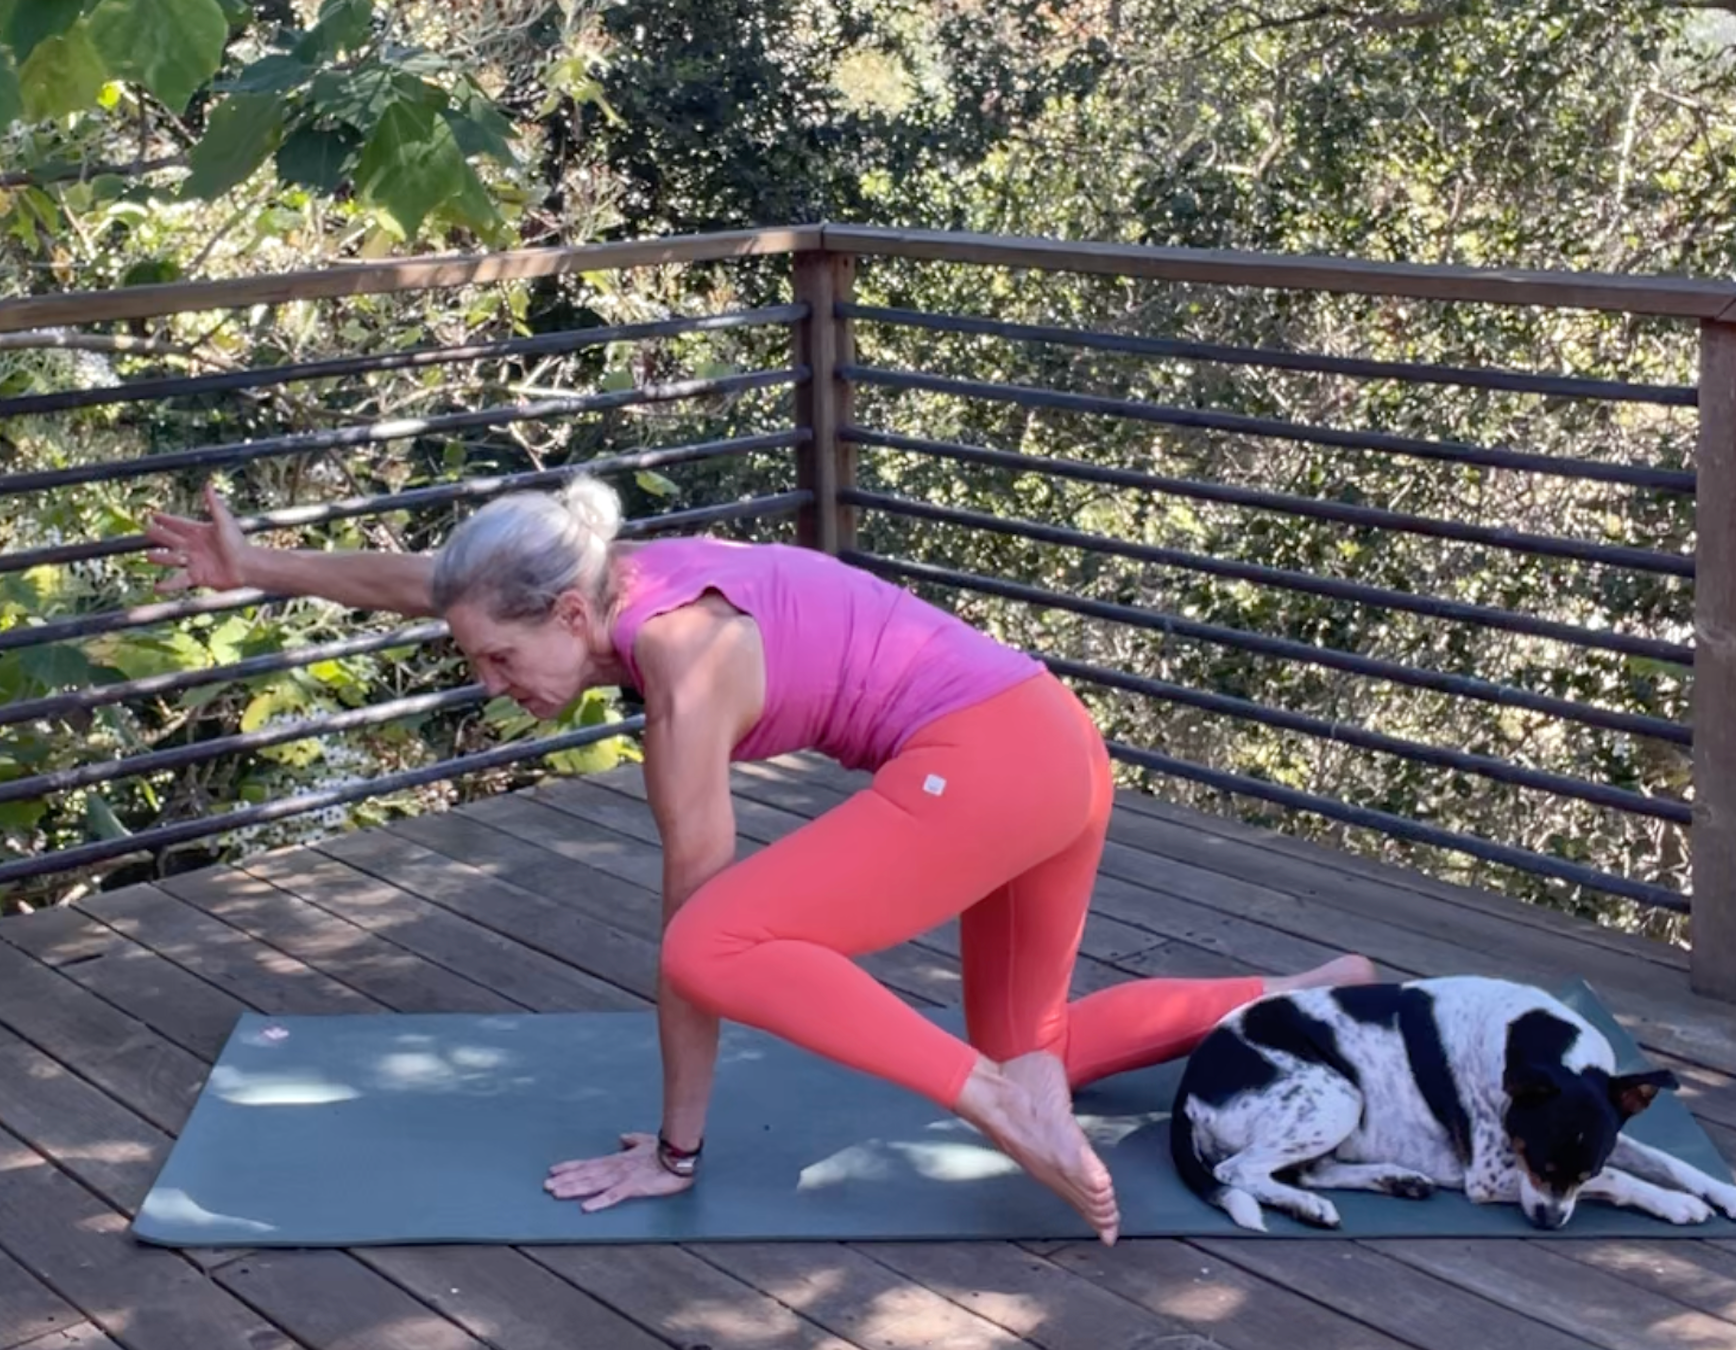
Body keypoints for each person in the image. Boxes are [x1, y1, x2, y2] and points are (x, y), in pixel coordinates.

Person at [145, 476, 1375, 1243]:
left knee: (719, 935)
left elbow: (706, 939)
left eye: (498, 662)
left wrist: (677, 1154)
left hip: (988, 761)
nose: (491, 682)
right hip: (1050, 747)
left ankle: (996, 1104)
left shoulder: (688, 669)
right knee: (1036, 1045)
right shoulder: (596, 583)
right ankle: (1296, 998)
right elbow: (433, 584)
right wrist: (257, 567)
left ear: (571, 620)